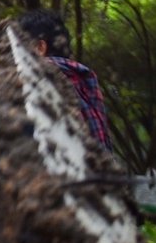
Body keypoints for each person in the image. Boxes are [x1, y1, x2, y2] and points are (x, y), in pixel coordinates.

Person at [10, 8, 113, 151]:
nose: (12, 57)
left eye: (16, 47)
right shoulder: (83, 78)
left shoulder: (39, 78)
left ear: (40, 47)